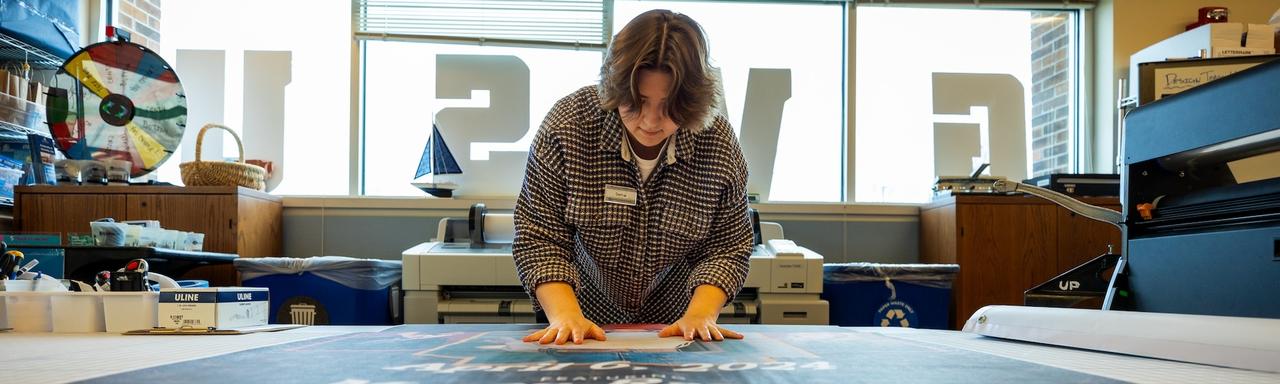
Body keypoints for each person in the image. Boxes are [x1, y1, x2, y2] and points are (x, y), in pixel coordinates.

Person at [513, 9, 752, 346]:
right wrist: (565, 316)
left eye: (669, 106)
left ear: (692, 101)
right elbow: (541, 238)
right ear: (614, 90)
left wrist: (702, 315)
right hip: (580, 320)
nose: (651, 122)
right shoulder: (567, 128)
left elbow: (726, 248)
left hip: (677, 326)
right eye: (637, 103)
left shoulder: (717, 143)